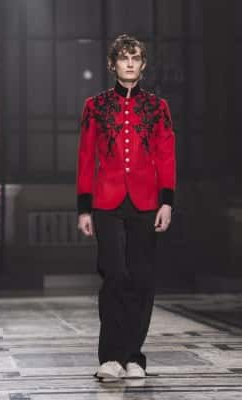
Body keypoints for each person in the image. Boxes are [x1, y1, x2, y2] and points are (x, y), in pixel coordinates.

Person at [76, 33, 176, 380]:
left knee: (142, 279)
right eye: (123, 57)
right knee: (115, 275)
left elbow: (166, 156)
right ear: (112, 64)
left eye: (135, 57)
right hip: (106, 202)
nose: (130, 62)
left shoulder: (157, 107)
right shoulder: (96, 106)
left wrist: (167, 202)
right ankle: (110, 357)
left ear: (143, 65)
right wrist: (84, 208)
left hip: (147, 203)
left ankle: (133, 356)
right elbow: (87, 156)